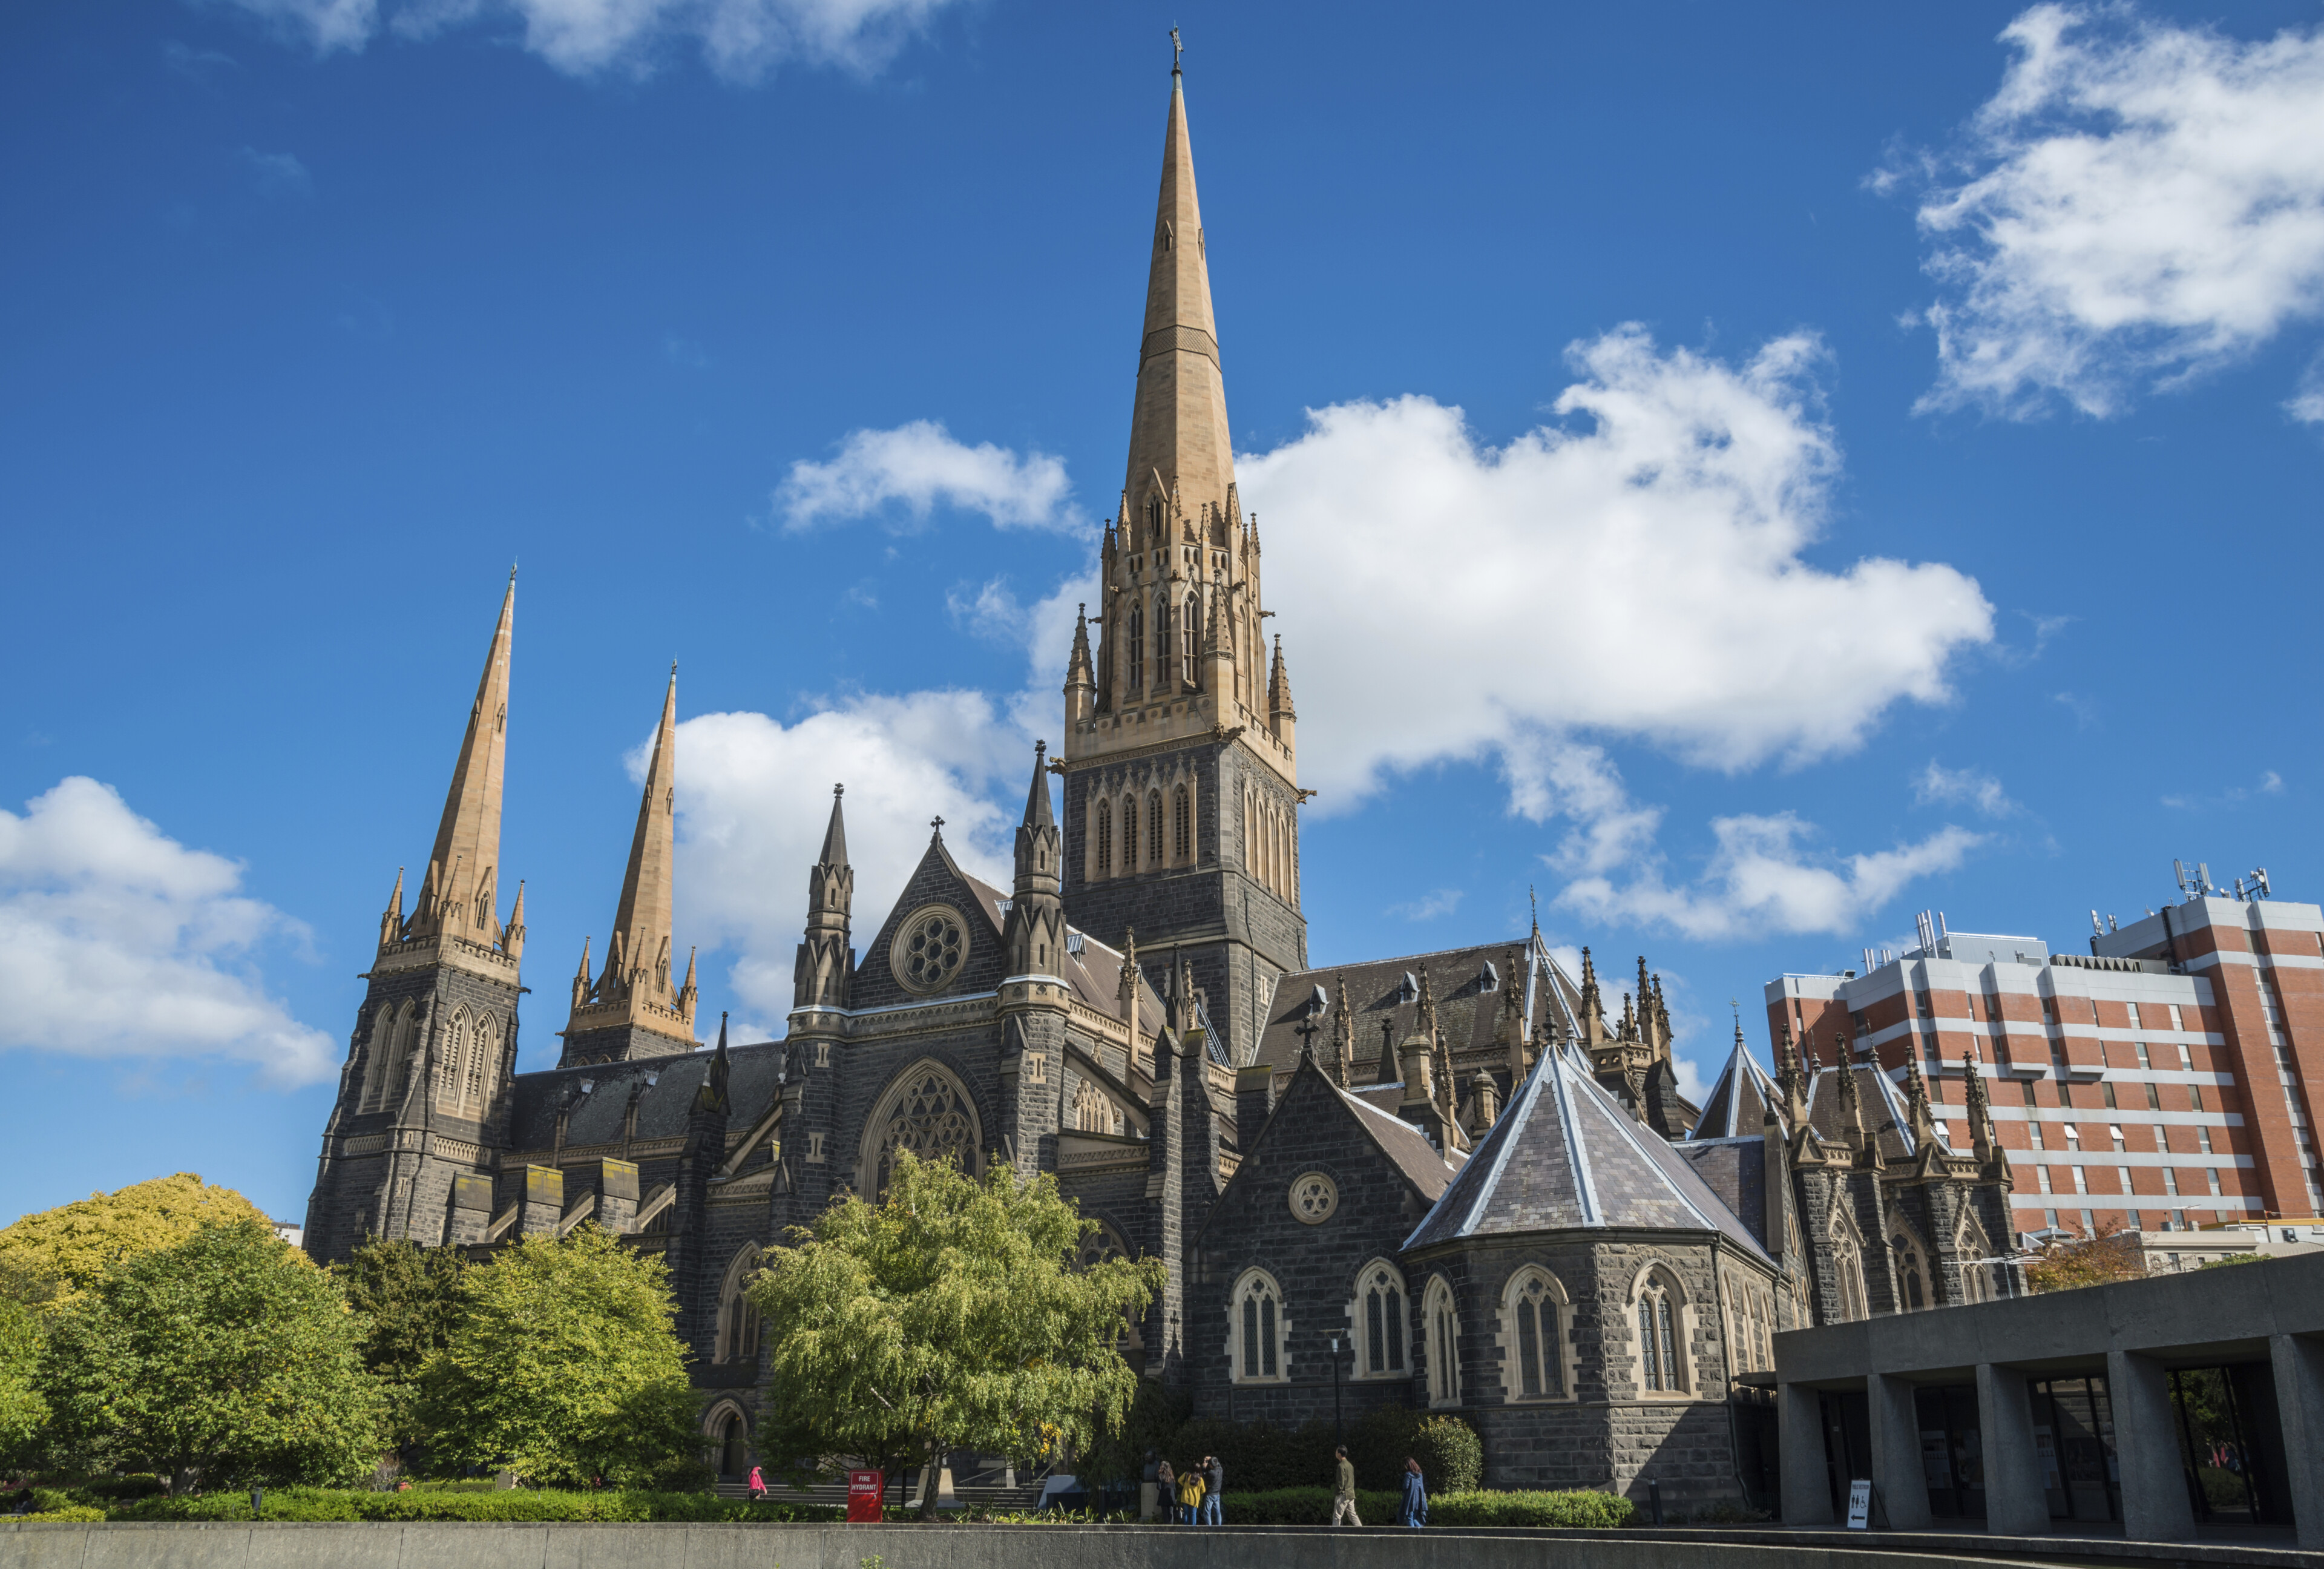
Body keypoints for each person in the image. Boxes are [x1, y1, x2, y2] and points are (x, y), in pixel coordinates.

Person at [1331, 1445, 1362, 1527]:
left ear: (1339, 1454)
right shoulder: (1350, 1465)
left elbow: (1340, 1482)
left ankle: (1335, 1536)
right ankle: (1362, 1532)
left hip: (1343, 1495)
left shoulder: (1341, 1466)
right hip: (1351, 1494)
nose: (1336, 1453)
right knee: (1353, 1516)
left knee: (1337, 1517)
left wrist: (1338, 1493)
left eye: (1336, 1452)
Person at [1399, 1457, 1428, 1530]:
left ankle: (1413, 1536)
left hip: (1410, 1500)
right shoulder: (1420, 1475)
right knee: (1414, 1518)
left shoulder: (1408, 1475)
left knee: (1409, 1518)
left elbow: (1406, 1486)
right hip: (1419, 1500)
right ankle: (1422, 1533)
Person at [1176, 1459, 1206, 1524]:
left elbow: (1179, 1480)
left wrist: (1185, 1486)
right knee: (1193, 1514)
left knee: (1186, 1514)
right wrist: (1198, 1492)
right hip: (1194, 1500)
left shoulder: (1187, 1475)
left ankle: (1185, 1528)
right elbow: (1204, 1490)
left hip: (1185, 1498)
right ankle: (1193, 1529)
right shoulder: (1200, 1479)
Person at [1202, 1455, 1223, 1525]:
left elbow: (1204, 1475)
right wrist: (1212, 1459)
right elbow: (1218, 1464)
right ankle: (1219, 1526)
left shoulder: (1211, 1473)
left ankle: (1209, 1527)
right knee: (1218, 1513)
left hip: (1210, 1495)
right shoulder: (1220, 1470)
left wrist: (1204, 1467)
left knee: (1207, 1512)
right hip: (1217, 1494)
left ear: (1211, 1465)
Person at [1154, 1459, 1175, 1523]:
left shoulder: (1160, 1476)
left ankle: (1167, 1528)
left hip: (1163, 1497)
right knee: (1171, 1513)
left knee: (1165, 1514)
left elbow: (1159, 1487)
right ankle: (1172, 1528)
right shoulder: (1172, 1477)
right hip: (1171, 1496)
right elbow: (1174, 1488)